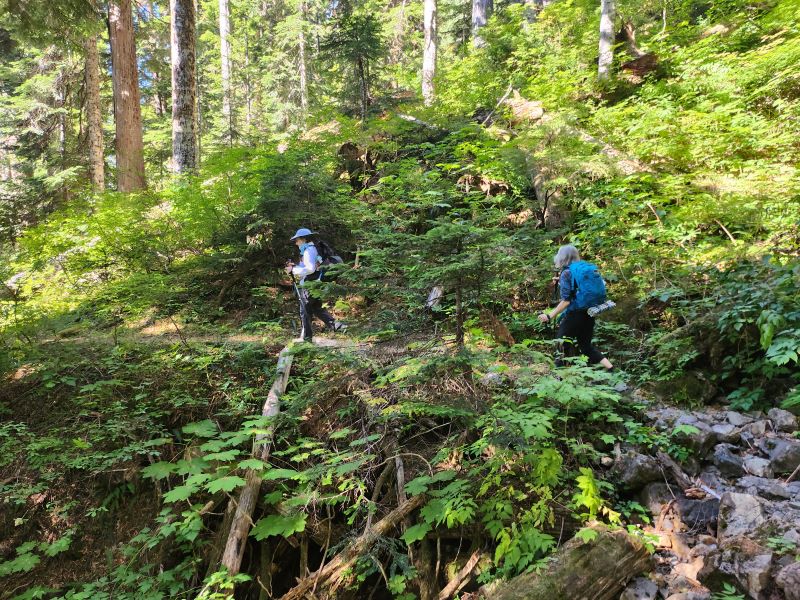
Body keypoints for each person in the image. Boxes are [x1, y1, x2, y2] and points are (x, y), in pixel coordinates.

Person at [537, 244, 614, 371]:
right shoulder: (580, 269)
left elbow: (566, 301)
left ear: (562, 257)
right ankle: (611, 369)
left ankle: (559, 379)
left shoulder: (566, 273)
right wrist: (562, 281)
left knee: (560, 345)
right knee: (586, 347)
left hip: (575, 315)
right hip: (589, 312)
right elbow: (579, 288)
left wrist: (549, 316)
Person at [285, 228, 344, 342]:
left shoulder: (308, 251)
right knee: (316, 308)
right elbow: (309, 267)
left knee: (305, 311)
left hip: (310, 285)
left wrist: (293, 270)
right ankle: (336, 325)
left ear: (303, 239)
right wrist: (295, 267)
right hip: (315, 283)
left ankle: (306, 338)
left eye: (297, 240)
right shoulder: (310, 249)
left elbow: (310, 269)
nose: (296, 242)